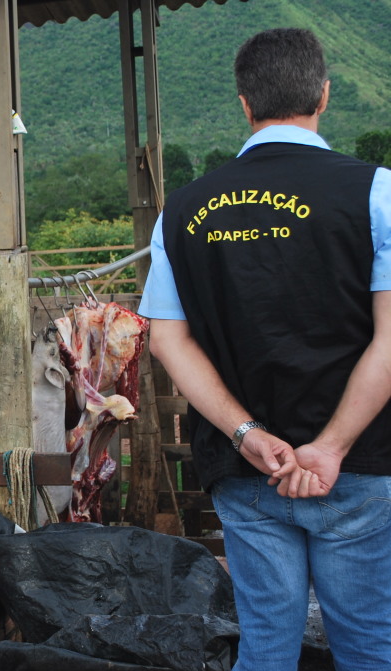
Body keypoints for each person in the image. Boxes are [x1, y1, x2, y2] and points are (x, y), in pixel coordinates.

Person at [139, 27, 391, 670]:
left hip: (249, 468)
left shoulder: (184, 209)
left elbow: (167, 338)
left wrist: (247, 432)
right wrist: (331, 447)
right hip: (360, 466)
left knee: (267, 643)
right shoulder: (376, 192)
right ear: (325, 95)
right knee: (368, 644)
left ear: (245, 104)